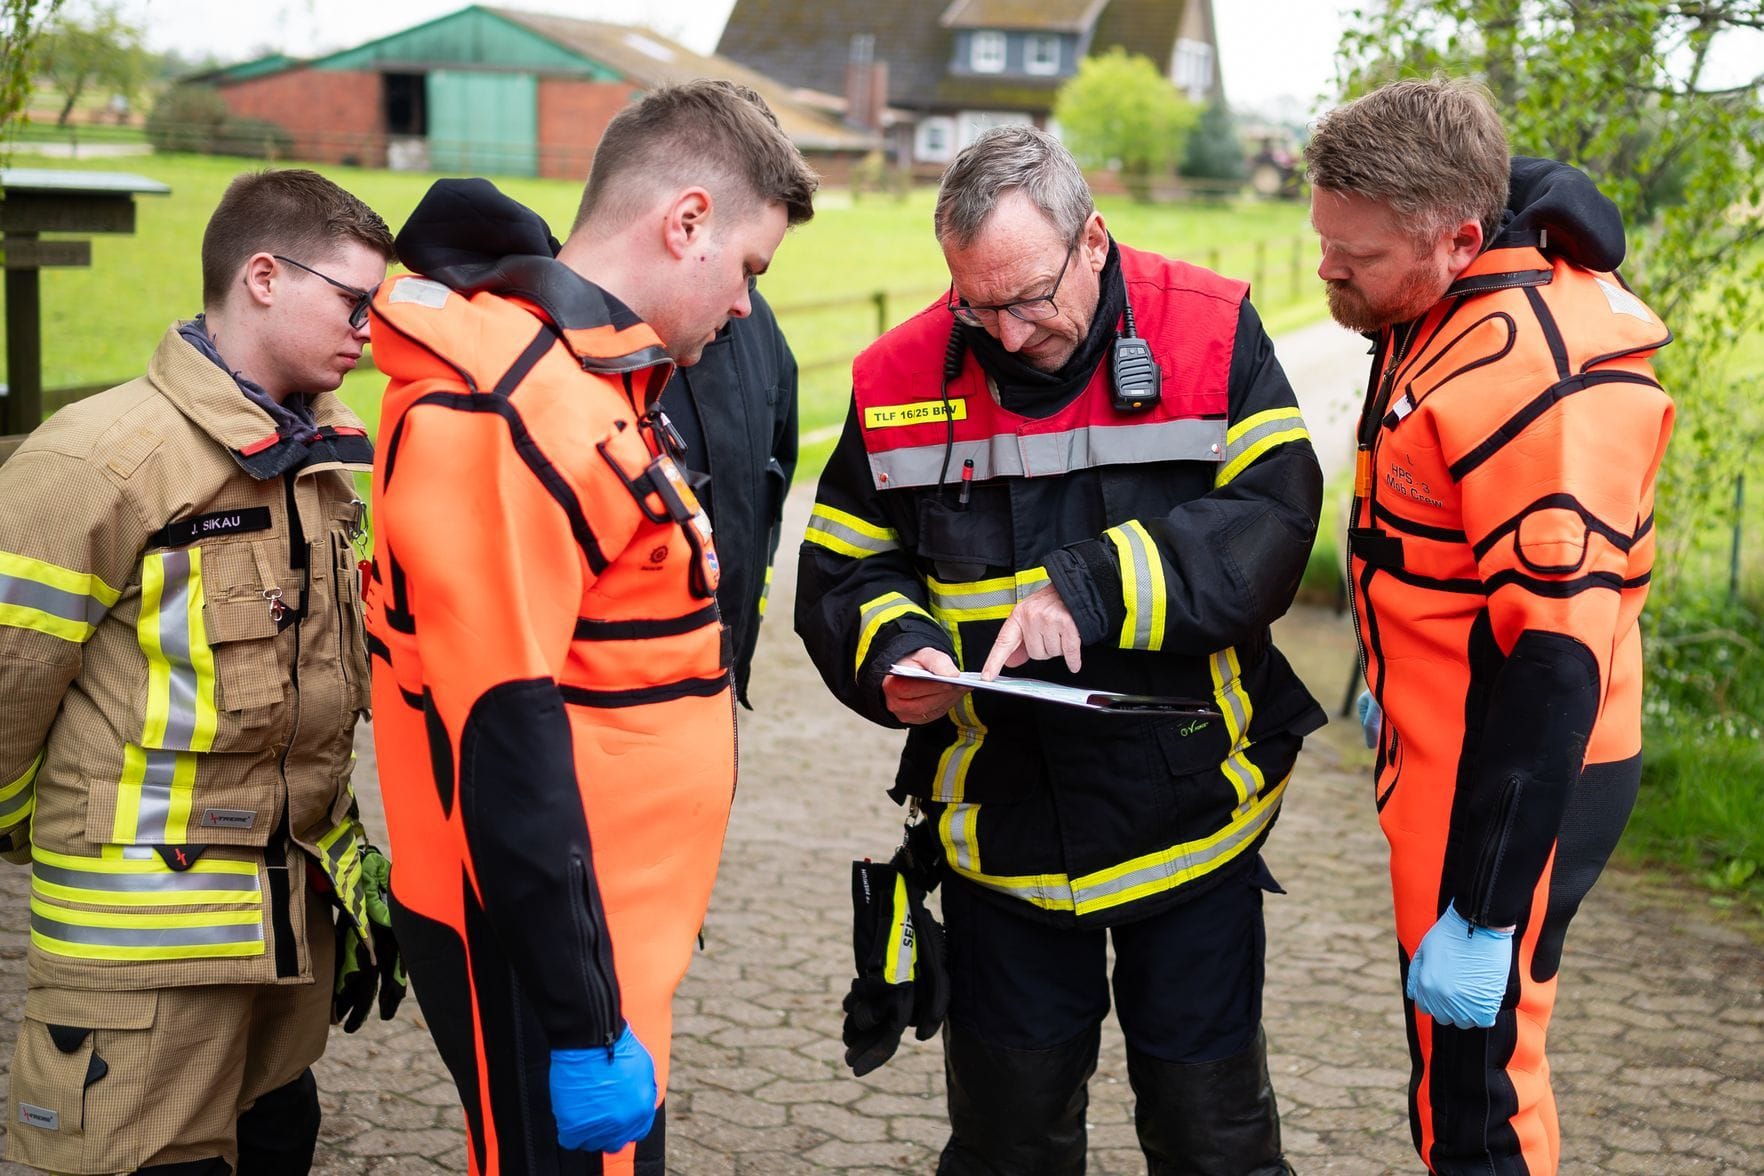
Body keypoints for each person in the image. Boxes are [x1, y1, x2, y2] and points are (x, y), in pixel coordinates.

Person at [796, 124, 1326, 1175]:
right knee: (1008, 1146)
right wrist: (891, 651)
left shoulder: (1210, 333)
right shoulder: (899, 375)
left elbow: (1274, 520)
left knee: (1210, 1136)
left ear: (1093, 240)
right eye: (974, 303)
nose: (1006, 331)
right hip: (1001, 842)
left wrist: (1089, 589)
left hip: (1192, 825)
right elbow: (844, 562)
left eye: (1029, 296)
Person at [362, 78, 817, 1176]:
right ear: (687, 219)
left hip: (610, 940)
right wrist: (580, 1016)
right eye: (750, 269)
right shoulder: (505, 410)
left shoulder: (587, 379)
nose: (749, 307)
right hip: (546, 953)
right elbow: (502, 739)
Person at [1306, 77, 1675, 1174]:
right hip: (1438, 749)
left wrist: (1485, 904)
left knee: (1480, 1090)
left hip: (1508, 778)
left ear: (1461, 237)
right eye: (1324, 238)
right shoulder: (1447, 270)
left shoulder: (1541, 387)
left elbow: (1556, 668)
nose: (1328, 269)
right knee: (1451, 1073)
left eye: (1357, 258)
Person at [0, 168, 400, 1175]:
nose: (373, 327)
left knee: (278, 1145)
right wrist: (35, 832)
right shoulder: (97, 464)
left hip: (282, 951)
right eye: (356, 299)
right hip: (141, 977)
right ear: (263, 275)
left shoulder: (315, 464)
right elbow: (7, 691)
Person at [657, 285, 798, 706]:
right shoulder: (577, 333)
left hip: (721, 686)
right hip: (619, 711)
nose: (743, 303)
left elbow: (771, 483)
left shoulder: (756, 324)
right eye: (747, 266)